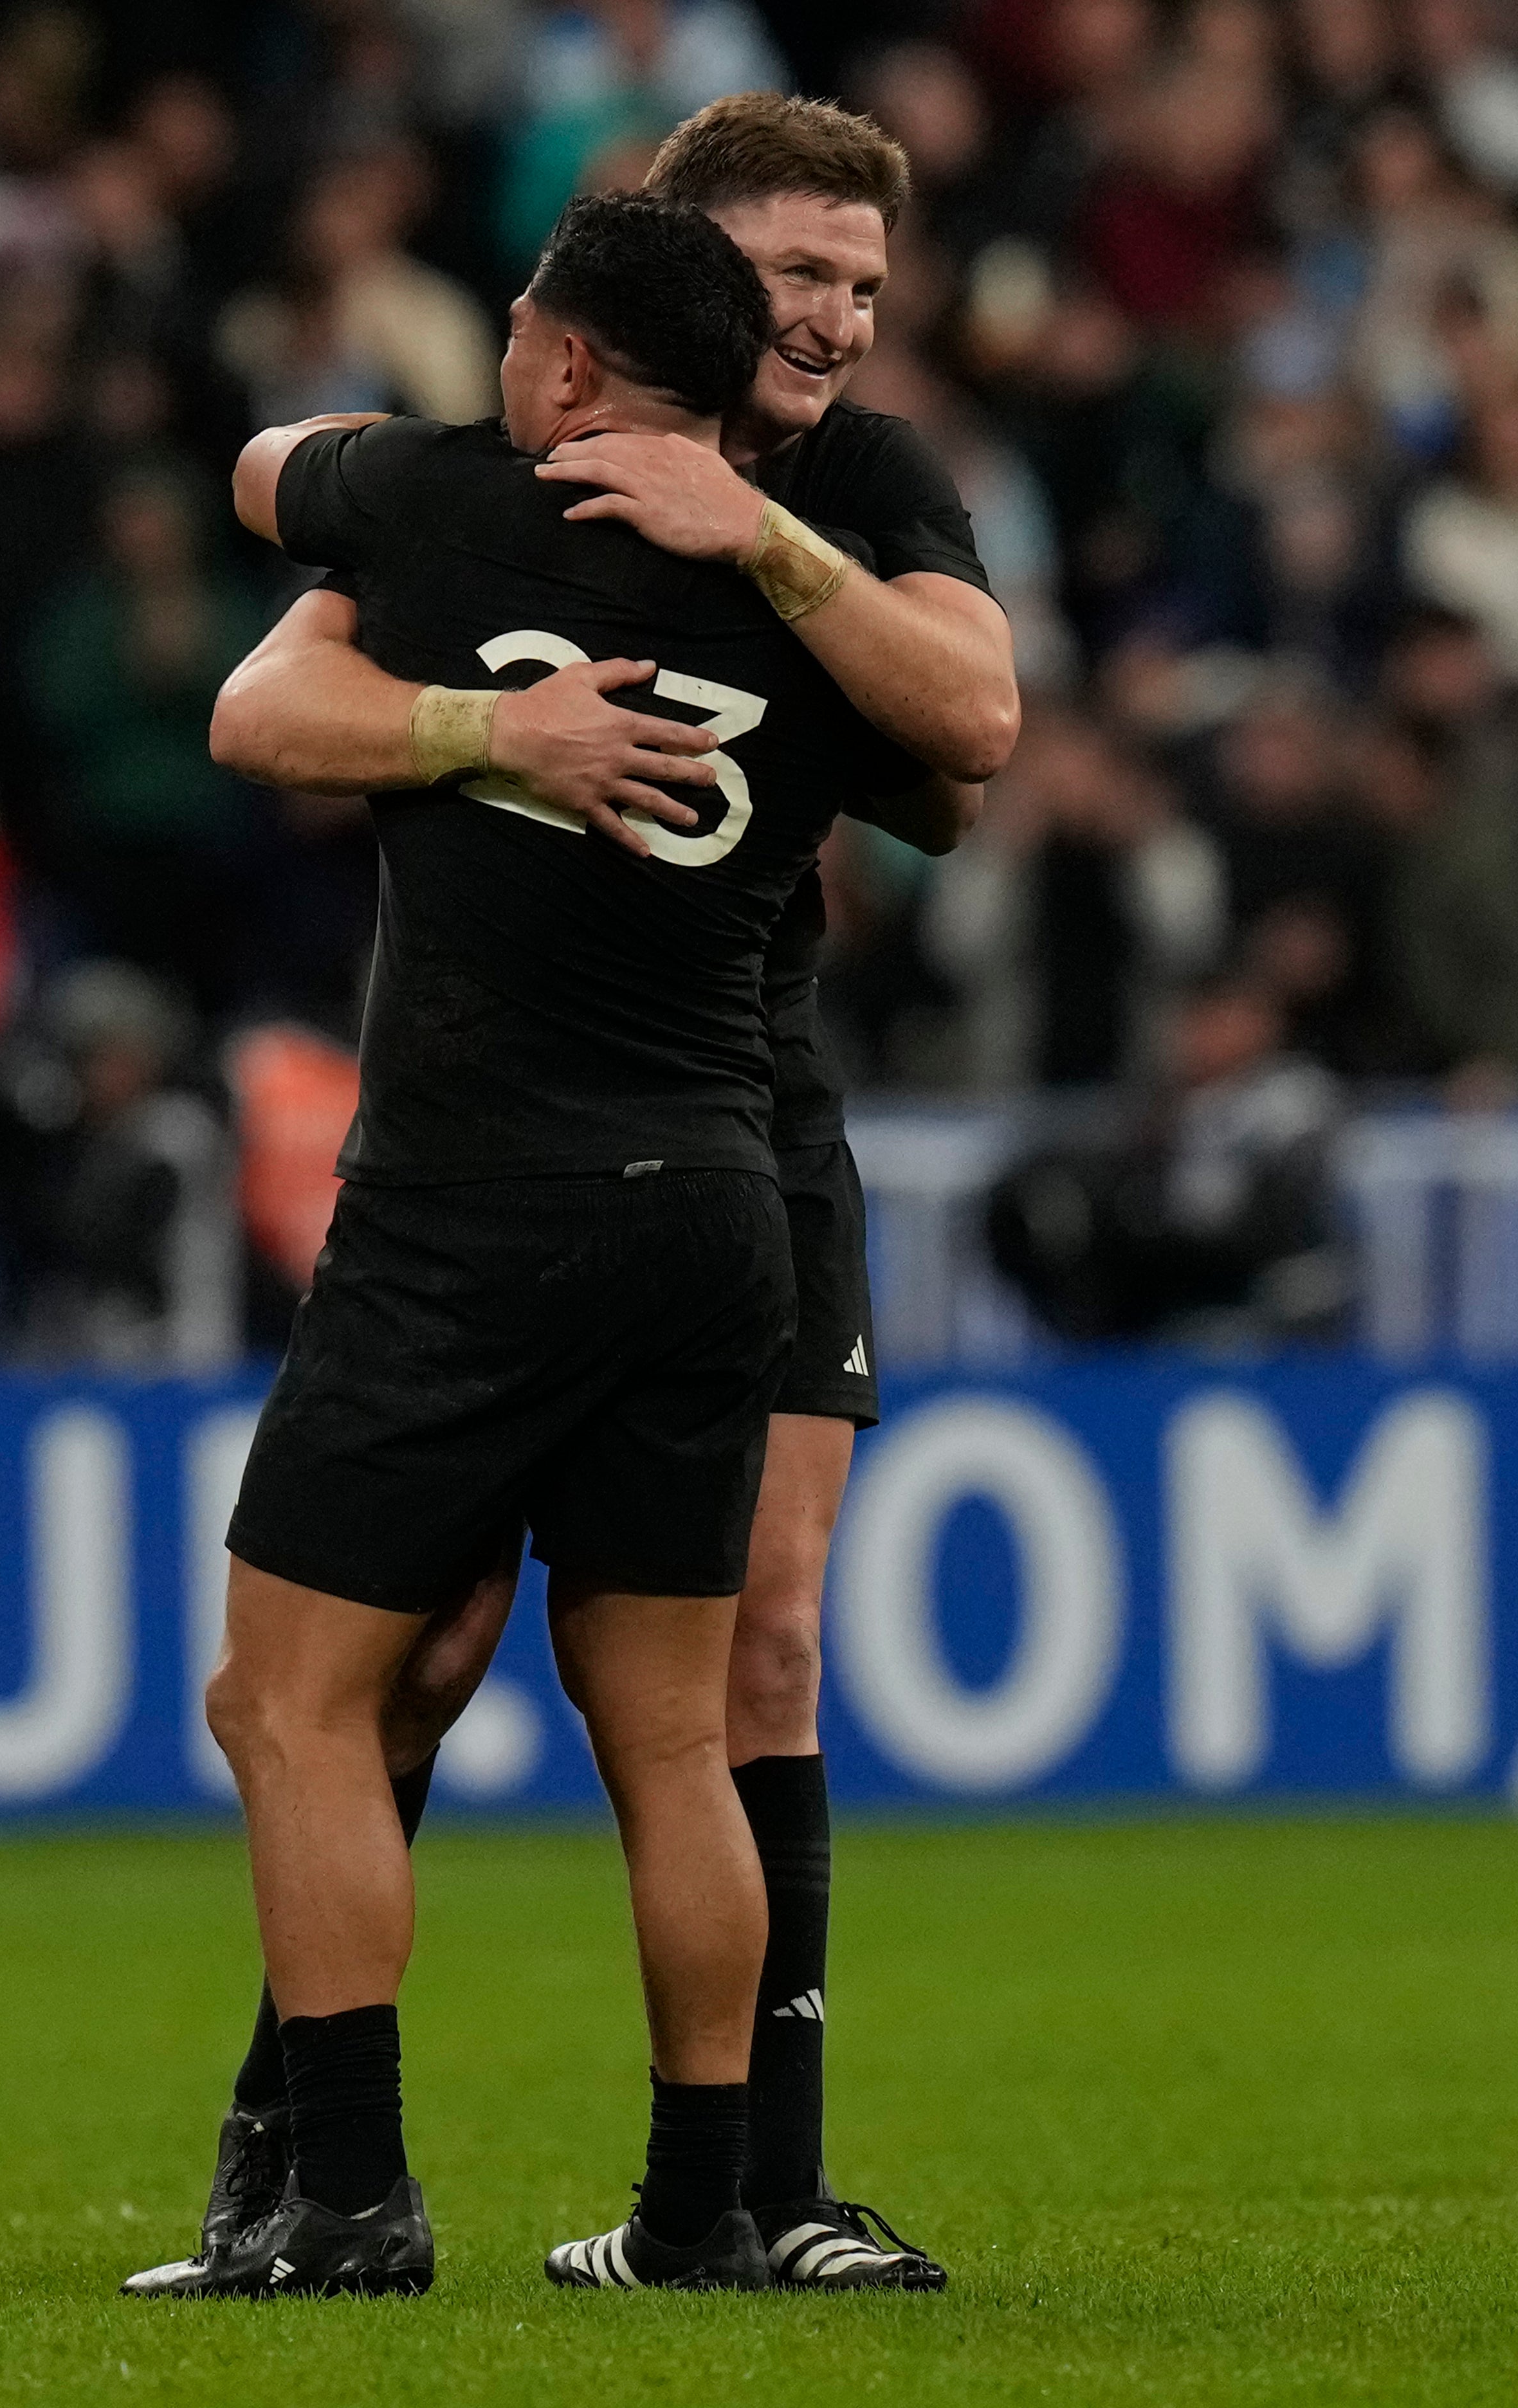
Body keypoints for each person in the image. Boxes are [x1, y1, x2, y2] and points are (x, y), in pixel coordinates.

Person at [154, 95, 1009, 2299]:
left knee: (313, 1692)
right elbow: (939, 765)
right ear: (701, 282)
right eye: (790, 277)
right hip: (707, 1173)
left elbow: (255, 562)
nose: (826, 317)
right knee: (628, 1708)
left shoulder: (515, 502)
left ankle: (360, 2184)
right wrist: (506, 716)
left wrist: (639, 558)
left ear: (559, 342)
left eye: (858, 288)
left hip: (498, 1180)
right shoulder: (767, 591)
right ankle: (692, 2196)